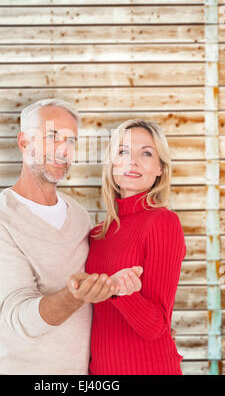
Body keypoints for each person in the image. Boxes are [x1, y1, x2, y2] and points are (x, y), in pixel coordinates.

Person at [0, 98, 142, 375]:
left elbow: (90, 291)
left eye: (71, 141)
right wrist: (75, 296)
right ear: (24, 142)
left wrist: (113, 285)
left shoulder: (79, 216)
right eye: (52, 136)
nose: (64, 150)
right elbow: (19, 318)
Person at [69, 119, 187, 375]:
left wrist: (124, 294)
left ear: (160, 169)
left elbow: (157, 327)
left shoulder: (163, 222)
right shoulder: (98, 233)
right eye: (122, 151)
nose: (132, 161)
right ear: (111, 165)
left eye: (146, 153)